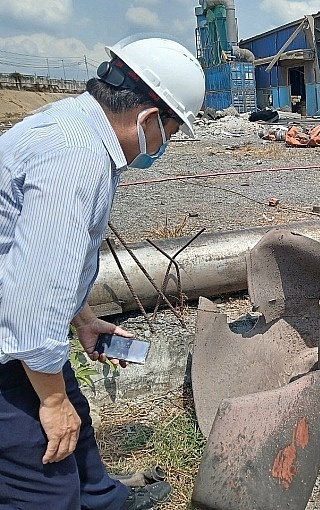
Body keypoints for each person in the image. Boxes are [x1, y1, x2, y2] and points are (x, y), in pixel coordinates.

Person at [0, 34, 205, 509]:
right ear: (148, 119)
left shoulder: (72, 125)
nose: (164, 146)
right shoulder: (76, 158)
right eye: (170, 134)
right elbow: (30, 300)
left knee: (75, 417)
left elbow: (38, 256)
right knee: (45, 479)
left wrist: (84, 318)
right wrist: (51, 403)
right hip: (9, 339)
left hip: (18, 323)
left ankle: (101, 498)